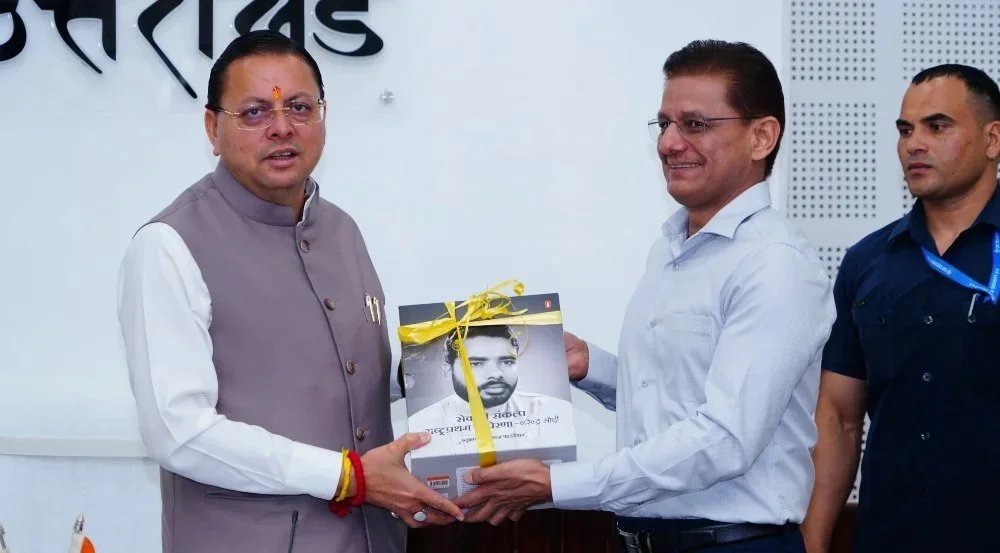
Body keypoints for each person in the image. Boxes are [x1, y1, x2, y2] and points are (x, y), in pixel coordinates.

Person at [453, 40, 835, 553]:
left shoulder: (775, 264)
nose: (669, 144)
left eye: (695, 124)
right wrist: (593, 369)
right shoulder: (670, 248)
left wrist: (558, 484)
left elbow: (725, 439)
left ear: (761, 136)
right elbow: (674, 403)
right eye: (664, 124)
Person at [116, 30, 462, 553]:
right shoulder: (169, 244)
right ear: (212, 128)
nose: (282, 128)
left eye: (300, 107)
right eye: (254, 112)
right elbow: (178, 432)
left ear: (323, 115)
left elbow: (344, 382)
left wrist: (454, 367)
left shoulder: (341, 231)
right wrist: (346, 478)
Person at [801, 64, 1000, 553]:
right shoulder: (867, 262)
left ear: (992, 139)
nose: (914, 144)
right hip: (890, 534)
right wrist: (813, 541)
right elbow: (839, 418)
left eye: (937, 127)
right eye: (906, 130)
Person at [407, 325, 575, 457]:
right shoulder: (421, 426)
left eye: (507, 362)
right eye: (476, 364)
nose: (496, 374)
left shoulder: (554, 412)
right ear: (447, 371)